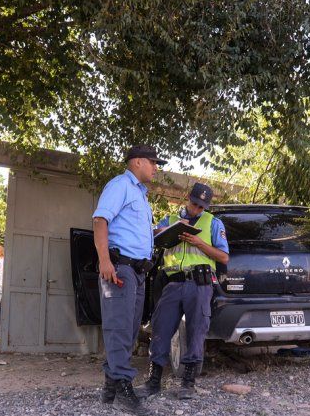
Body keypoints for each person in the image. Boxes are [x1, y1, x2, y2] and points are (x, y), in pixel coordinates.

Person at [136, 182, 229, 400]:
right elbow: (152, 239)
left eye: (202, 206)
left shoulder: (213, 223)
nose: (197, 208)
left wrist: (198, 243)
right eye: (195, 203)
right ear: (188, 198)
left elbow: (224, 257)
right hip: (172, 283)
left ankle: (188, 383)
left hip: (199, 284)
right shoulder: (169, 220)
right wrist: (162, 232)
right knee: (161, 328)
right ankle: (153, 381)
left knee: (197, 332)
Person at [92, 145, 166, 415]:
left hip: (138, 271)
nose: (156, 167)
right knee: (119, 328)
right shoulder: (120, 185)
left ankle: (110, 389)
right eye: (153, 162)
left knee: (130, 329)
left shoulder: (141, 195)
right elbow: (100, 220)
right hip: (120, 267)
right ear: (137, 162)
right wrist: (104, 261)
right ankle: (123, 387)